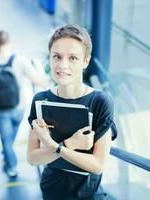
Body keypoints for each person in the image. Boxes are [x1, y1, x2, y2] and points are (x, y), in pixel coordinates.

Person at [27, 25, 117, 200]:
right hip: (52, 190)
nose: (63, 65)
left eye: (73, 58)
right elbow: (32, 158)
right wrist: (68, 145)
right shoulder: (40, 100)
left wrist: (54, 146)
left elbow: (98, 164)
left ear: (86, 61)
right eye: (57, 57)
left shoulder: (100, 102)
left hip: (87, 194)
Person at [0, 30, 47, 178]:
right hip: (19, 108)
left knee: (5, 139)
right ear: (9, 43)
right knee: (10, 135)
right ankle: (8, 149)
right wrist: (42, 72)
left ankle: (12, 167)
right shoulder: (20, 60)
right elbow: (38, 81)